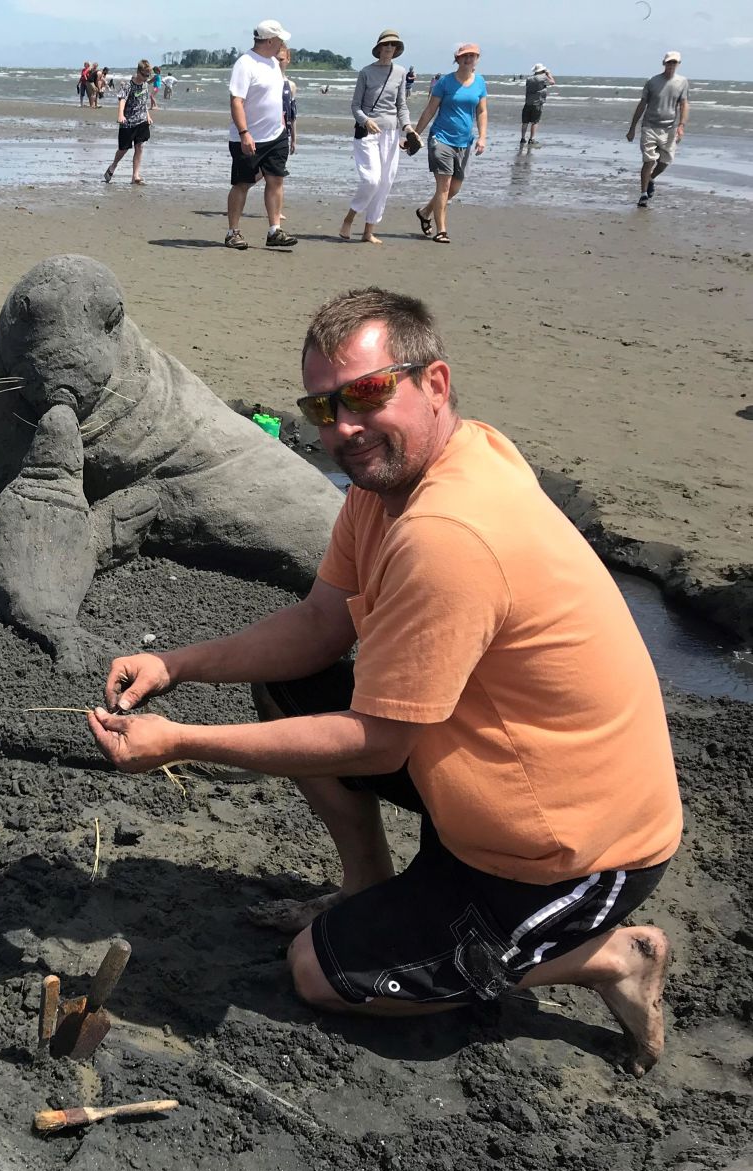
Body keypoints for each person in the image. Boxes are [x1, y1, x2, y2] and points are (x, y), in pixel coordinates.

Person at [88, 287, 681, 1076]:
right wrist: (176, 665)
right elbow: (317, 630)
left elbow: (377, 742)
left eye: (367, 394)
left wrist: (182, 743)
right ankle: (364, 885)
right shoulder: (406, 479)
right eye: (324, 407)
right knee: (292, 685)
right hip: (483, 780)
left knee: (318, 973)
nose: (344, 428)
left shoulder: (448, 533)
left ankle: (611, 958)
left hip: (569, 848)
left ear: (433, 383)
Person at [223, 20, 296, 250]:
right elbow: (236, 101)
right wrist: (245, 133)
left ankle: (274, 230)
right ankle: (232, 232)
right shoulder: (245, 64)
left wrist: (285, 128)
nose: (283, 44)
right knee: (242, 183)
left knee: (276, 180)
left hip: (276, 135)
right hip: (248, 137)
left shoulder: (274, 63)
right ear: (270, 41)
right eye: (280, 40)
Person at [340, 29, 415, 246]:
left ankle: (368, 231)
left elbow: (401, 105)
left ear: (396, 49)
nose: (389, 48)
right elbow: (355, 106)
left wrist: (408, 128)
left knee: (385, 182)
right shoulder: (365, 72)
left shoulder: (400, 72)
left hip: (391, 133)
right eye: (386, 45)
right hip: (367, 132)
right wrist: (365, 120)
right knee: (371, 179)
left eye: (393, 45)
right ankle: (349, 218)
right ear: (379, 48)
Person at [411, 43, 486, 244]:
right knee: (443, 187)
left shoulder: (480, 83)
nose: (468, 59)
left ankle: (425, 211)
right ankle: (442, 230)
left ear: (477, 59)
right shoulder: (444, 82)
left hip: (465, 142)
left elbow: (481, 111)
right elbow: (430, 110)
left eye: (472, 56)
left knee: (454, 188)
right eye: (464, 56)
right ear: (457, 59)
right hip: (441, 138)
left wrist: (482, 137)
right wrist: (415, 134)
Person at [628, 51, 688, 206]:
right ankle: (643, 195)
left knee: (665, 162)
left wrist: (681, 126)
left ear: (678, 64)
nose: (671, 66)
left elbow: (684, 104)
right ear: (664, 63)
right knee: (649, 160)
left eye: (674, 63)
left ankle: (651, 179)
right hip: (650, 126)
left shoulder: (682, 82)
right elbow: (642, 104)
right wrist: (632, 127)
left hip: (670, 128)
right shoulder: (652, 81)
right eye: (669, 63)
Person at [104, 58, 156, 185]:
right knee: (123, 149)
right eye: (144, 75)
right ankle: (113, 166)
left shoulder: (144, 85)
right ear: (138, 72)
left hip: (142, 120)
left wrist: (148, 116)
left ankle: (135, 176)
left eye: (148, 75)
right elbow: (122, 100)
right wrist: (121, 115)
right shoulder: (128, 85)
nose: (146, 78)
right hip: (128, 122)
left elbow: (143, 102)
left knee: (140, 146)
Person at [521, 63, 555, 145]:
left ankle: (522, 138)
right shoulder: (543, 78)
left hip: (528, 102)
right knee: (534, 122)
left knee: (525, 122)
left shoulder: (529, 78)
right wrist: (549, 74)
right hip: (537, 103)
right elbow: (552, 82)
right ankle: (531, 139)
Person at [278, 46, 298, 161]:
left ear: (287, 59)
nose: (278, 63)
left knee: (277, 172)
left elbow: (293, 115)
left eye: (281, 60)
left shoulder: (291, 86)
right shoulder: (264, 83)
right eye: (275, 59)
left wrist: (294, 140)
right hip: (265, 134)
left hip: (283, 136)